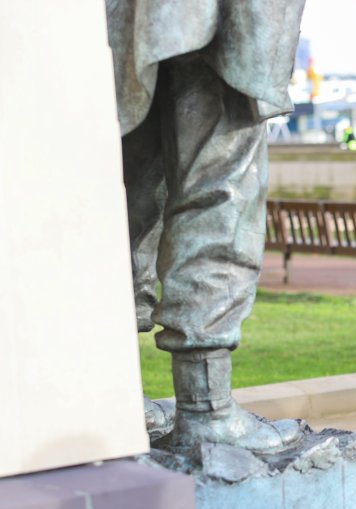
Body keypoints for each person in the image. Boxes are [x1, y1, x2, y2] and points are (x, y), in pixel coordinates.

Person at [106, 1, 307, 453]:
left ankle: (110, 394)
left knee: (123, 191)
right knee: (223, 185)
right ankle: (205, 408)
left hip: (115, 22)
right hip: (212, 19)